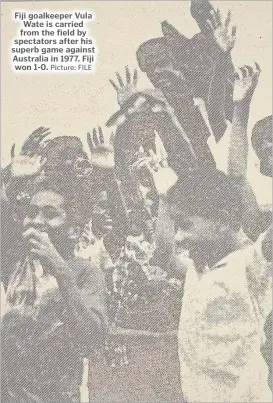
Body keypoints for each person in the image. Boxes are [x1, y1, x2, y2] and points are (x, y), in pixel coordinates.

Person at [2, 153, 108, 402]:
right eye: (31, 213)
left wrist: (60, 270)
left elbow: (91, 337)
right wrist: (8, 176)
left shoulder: (86, 272)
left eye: (50, 214)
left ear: (73, 230)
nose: (36, 222)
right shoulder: (15, 262)